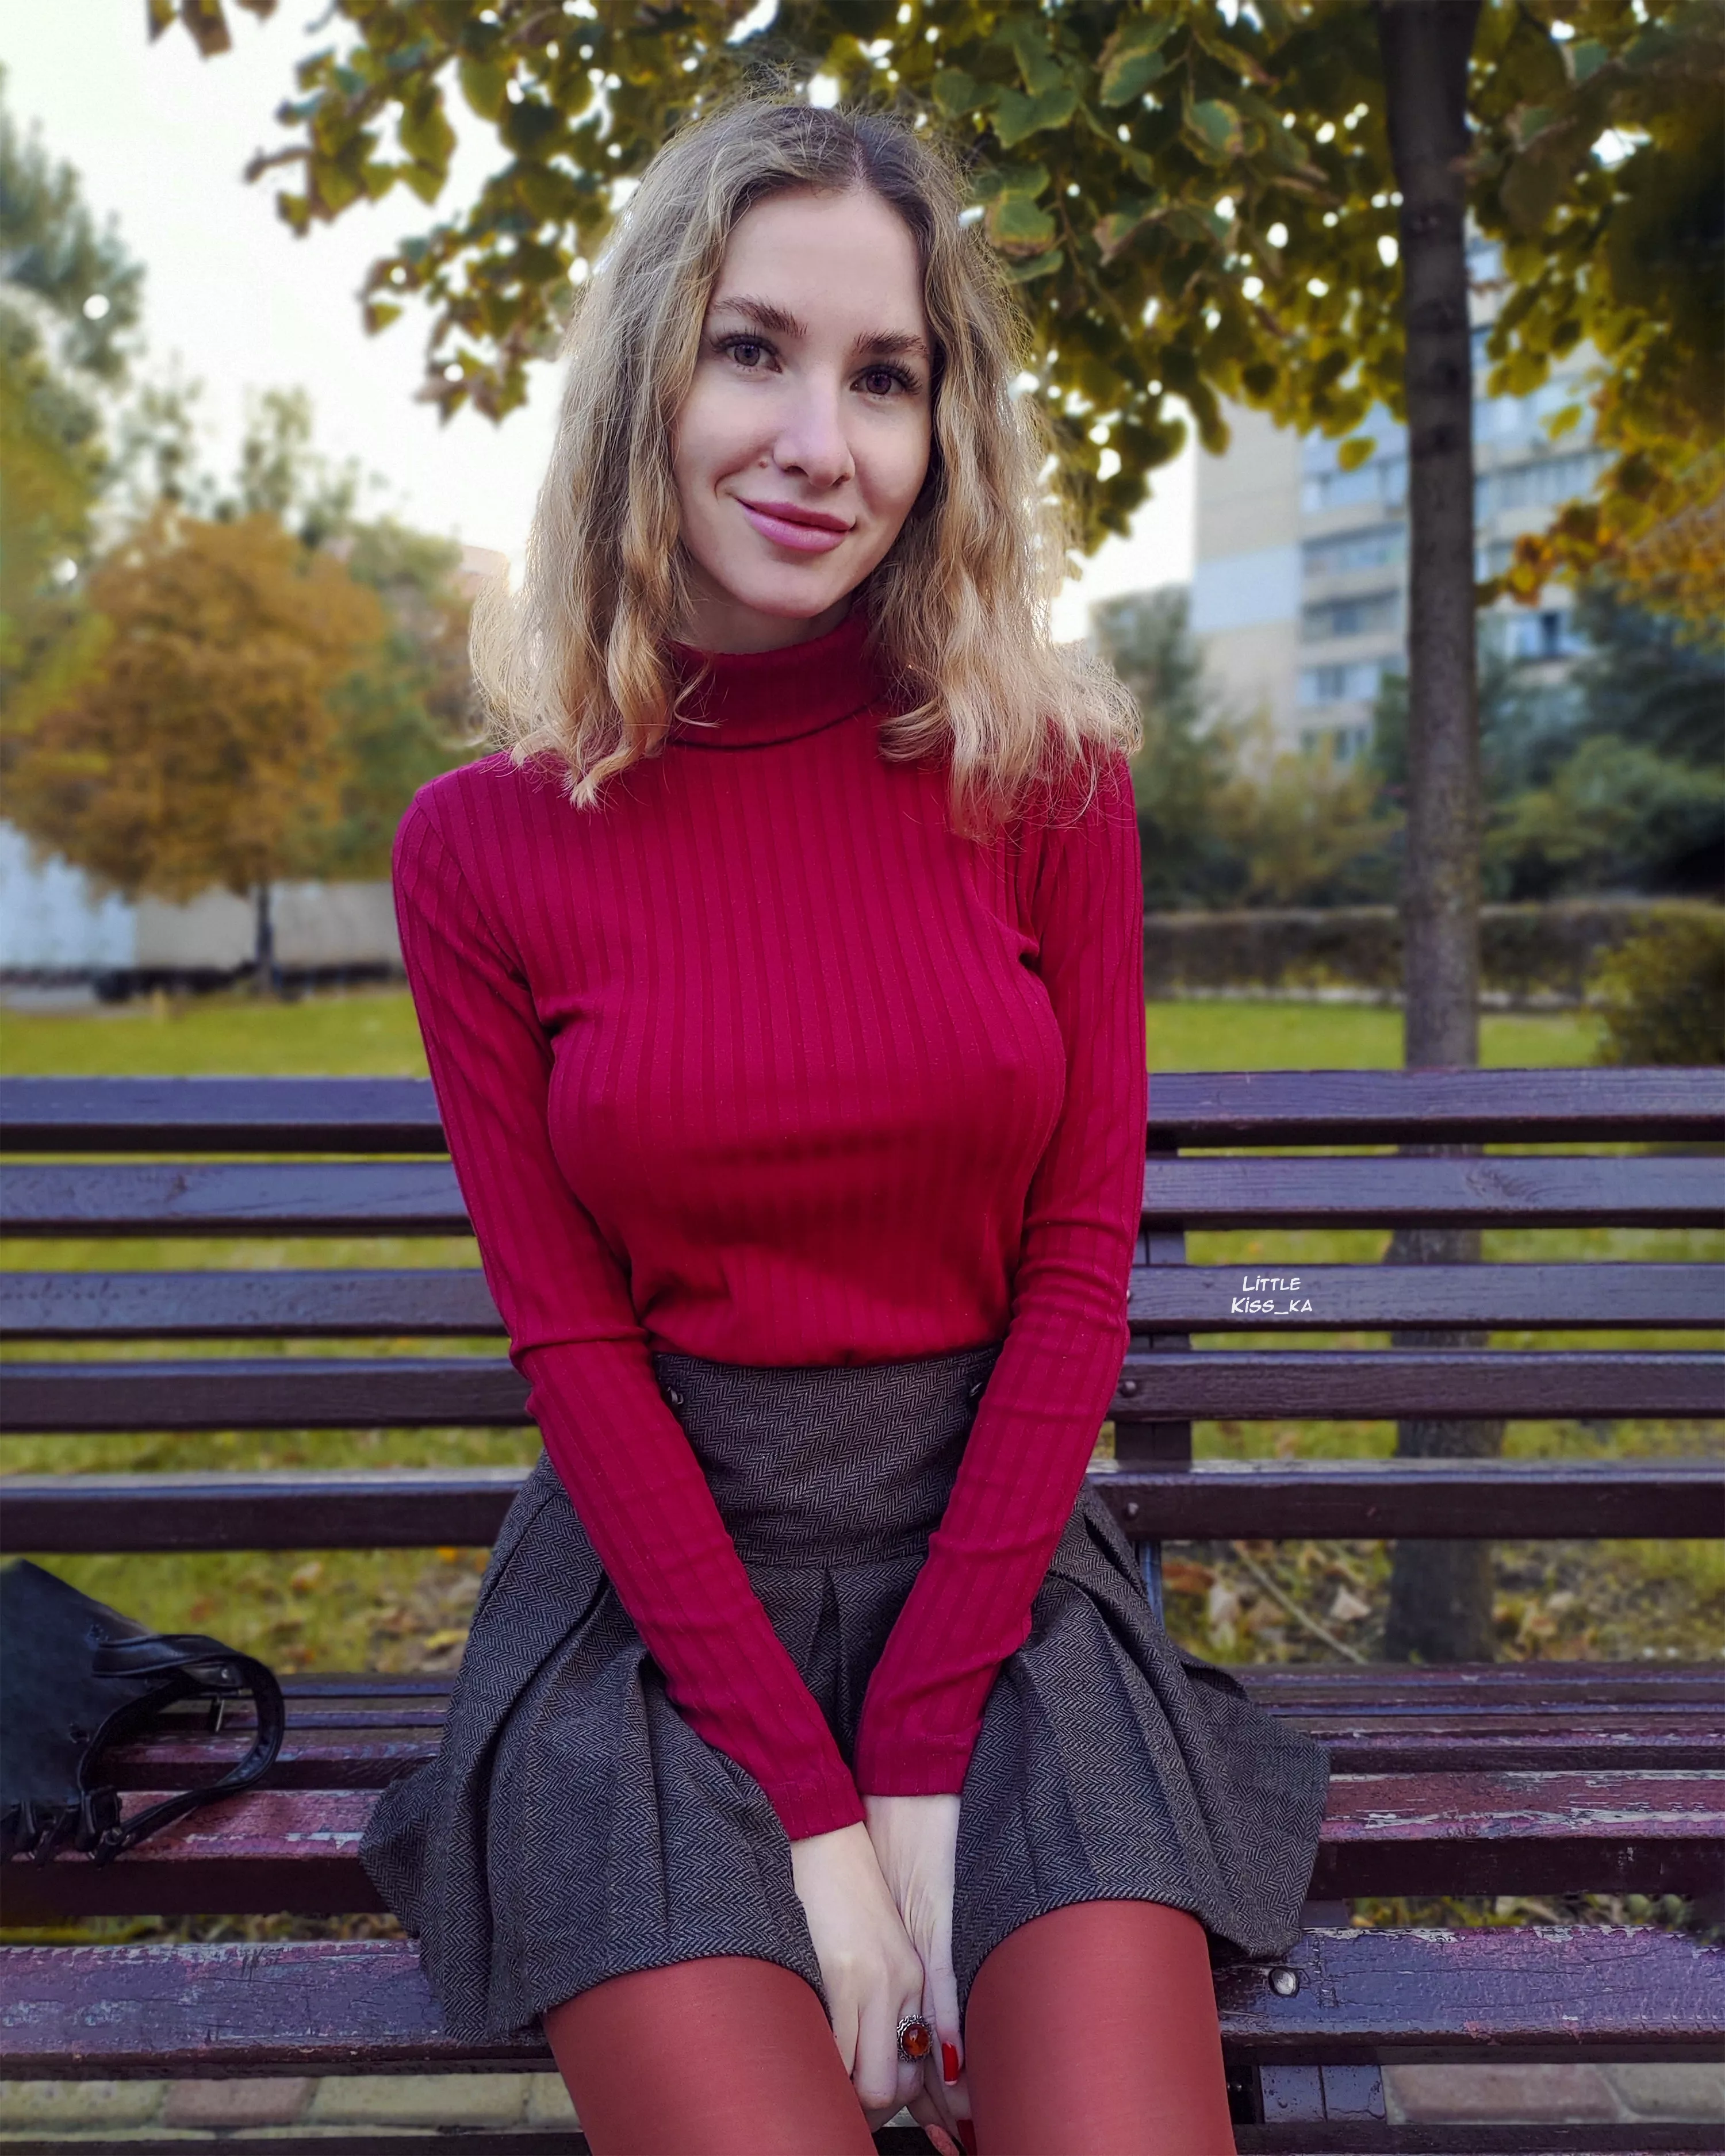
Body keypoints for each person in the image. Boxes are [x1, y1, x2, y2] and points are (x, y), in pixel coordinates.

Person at [359, 97, 1327, 2156]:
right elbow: (576, 1347)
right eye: (754, 349)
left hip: (1006, 1580)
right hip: (658, 1622)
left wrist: (919, 1761)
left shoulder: (1042, 780)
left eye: (884, 376)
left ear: (943, 431)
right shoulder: (483, 848)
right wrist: (810, 1816)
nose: (821, 439)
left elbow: (1077, 1263)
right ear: (646, 382)